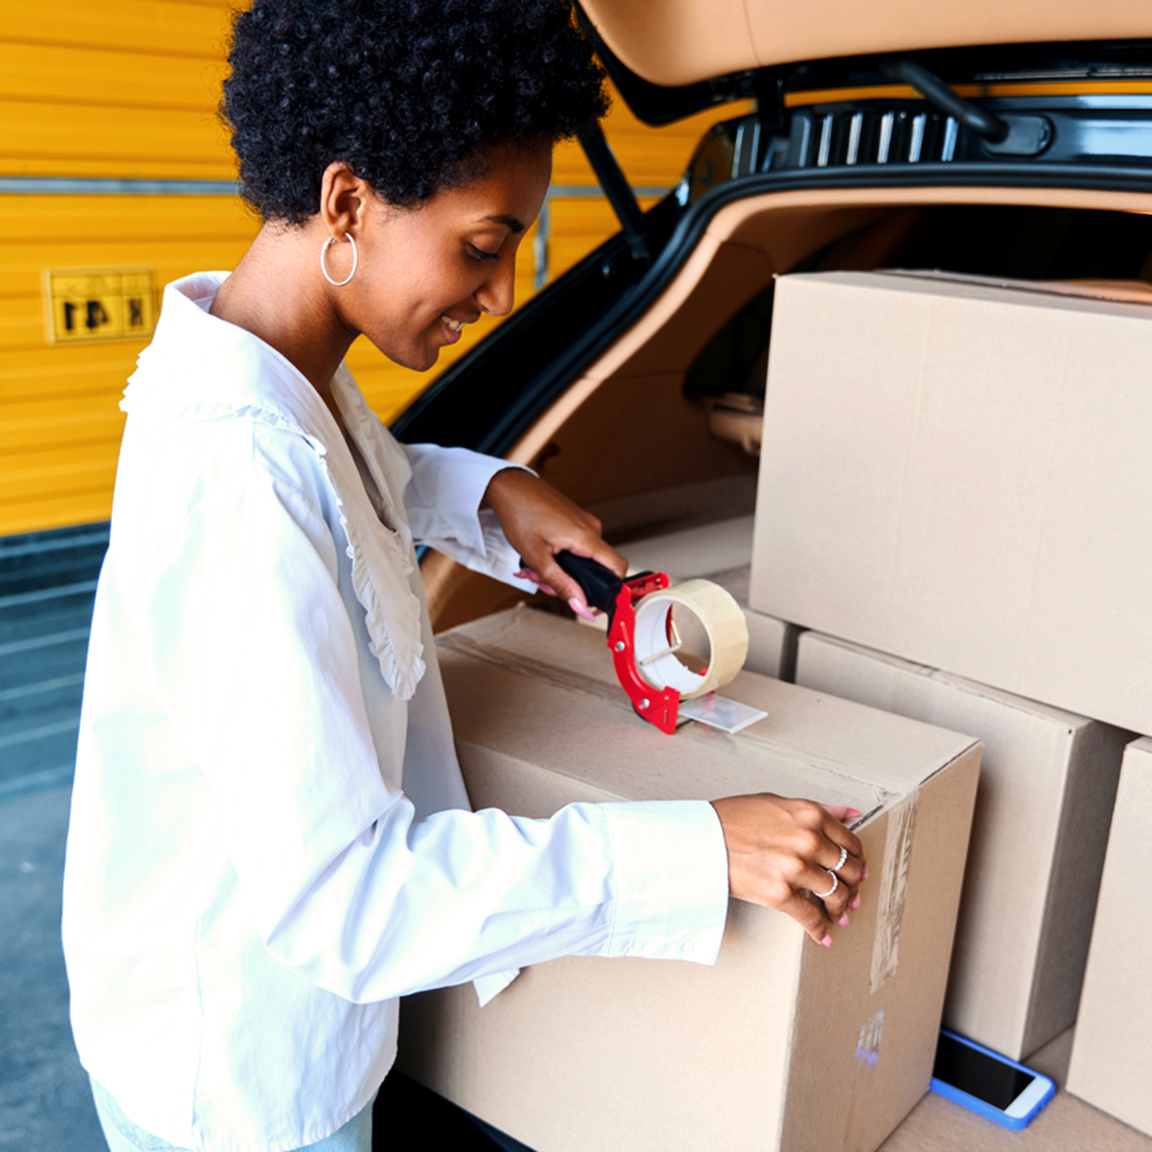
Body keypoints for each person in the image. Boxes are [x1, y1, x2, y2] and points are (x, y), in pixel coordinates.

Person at [61, 2, 865, 1150]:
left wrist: (485, 495)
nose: (498, 299)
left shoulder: (281, 369)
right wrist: (703, 848)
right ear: (348, 203)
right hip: (237, 1080)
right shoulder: (234, 475)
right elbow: (348, 900)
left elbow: (356, 476)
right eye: (483, 248)